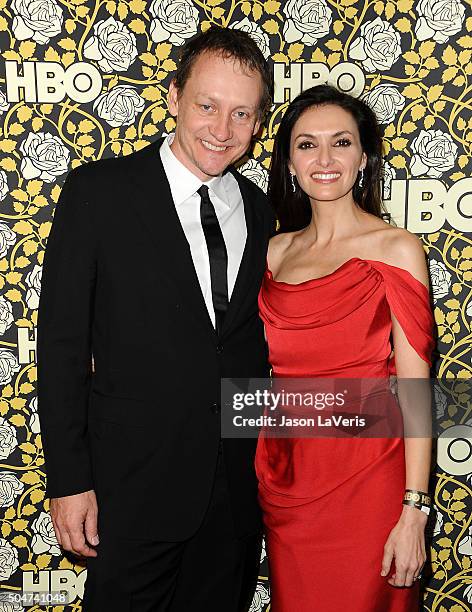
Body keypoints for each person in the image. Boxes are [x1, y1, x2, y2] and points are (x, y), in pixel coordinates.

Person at [37, 26, 275, 611]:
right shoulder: (99, 193)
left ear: (258, 122)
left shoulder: (262, 209)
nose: (222, 130)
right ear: (172, 97)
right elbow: (62, 347)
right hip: (131, 490)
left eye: (241, 113)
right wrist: (69, 482)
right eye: (207, 106)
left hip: (235, 496)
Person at [255, 84, 434, 611]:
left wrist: (415, 509)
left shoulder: (396, 249)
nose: (325, 159)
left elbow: (415, 390)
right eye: (307, 145)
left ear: (363, 157)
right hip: (288, 482)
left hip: (370, 484)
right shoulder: (273, 253)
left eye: (341, 142)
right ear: (289, 161)